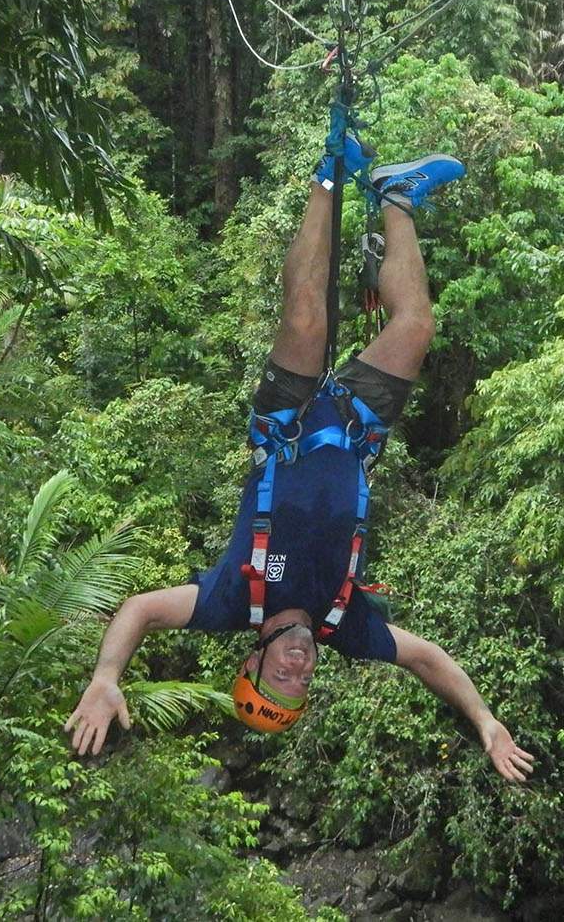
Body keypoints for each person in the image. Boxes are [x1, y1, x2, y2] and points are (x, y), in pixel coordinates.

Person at [66, 130, 535, 783]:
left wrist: (106, 676)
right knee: (416, 327)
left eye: (280, 674)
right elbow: (427, 659)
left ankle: (329, 173)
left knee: (307, 320)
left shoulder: (230, 601)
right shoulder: (346, 625)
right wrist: (484, 720)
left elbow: (140, 609)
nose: (299, 666)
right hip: (355, 432)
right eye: (301, 681)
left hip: (283, 429)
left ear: (253, 661)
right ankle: (395, 193)